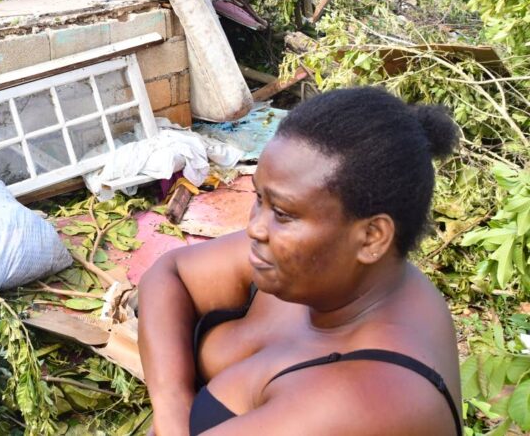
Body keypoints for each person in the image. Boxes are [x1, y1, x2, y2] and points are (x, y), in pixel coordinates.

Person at [138, 87, 463, 435]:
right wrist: (173, 404)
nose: (255, 228)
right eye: (259, 198)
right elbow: (170, 273)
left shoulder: (367, 399)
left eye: (282, 213)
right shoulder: (321, 273)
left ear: (372, 237)